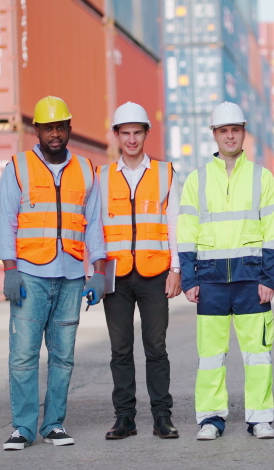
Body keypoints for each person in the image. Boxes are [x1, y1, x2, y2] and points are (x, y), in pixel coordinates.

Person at [0, 96, 106, 450]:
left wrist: (98, 271)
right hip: (29, 276)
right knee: (24, 354)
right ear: (37, 131)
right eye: (48, 128)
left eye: (60, 127)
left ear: (69, 129)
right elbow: (5, 220)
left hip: (72, 276)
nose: (55, 134)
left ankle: (54, 424)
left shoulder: (87, 169)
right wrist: (9, 269)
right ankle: (23, 428)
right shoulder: (18, 167)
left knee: (63, 356)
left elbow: (95, 227)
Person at [177, 102, 274, 440]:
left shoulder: (261, 177)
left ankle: (260, 417)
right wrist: (189, 278)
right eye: (223, 131)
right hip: (209, 281)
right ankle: (211, 418)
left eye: (235, 130)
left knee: (258, 355)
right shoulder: (196, 180)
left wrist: (270, 278)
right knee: (210, 356)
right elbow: (186, 230)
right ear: (214, 135)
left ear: (243, 134)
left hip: (252, 279)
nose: (229, 136)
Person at [97, 102, 182, 441]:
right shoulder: (100, 177)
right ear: (116, 135)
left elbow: (173, 222)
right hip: (115, 275)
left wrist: (176, 268)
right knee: (120, 349)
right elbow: (94, 227)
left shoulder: (165, 173)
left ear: (146, 133)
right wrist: (95, 271)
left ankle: (162, 416)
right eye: (125, 133)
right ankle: (125, 418)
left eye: (137, 132)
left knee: (155, 347)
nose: (131, 139)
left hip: (154, 272)